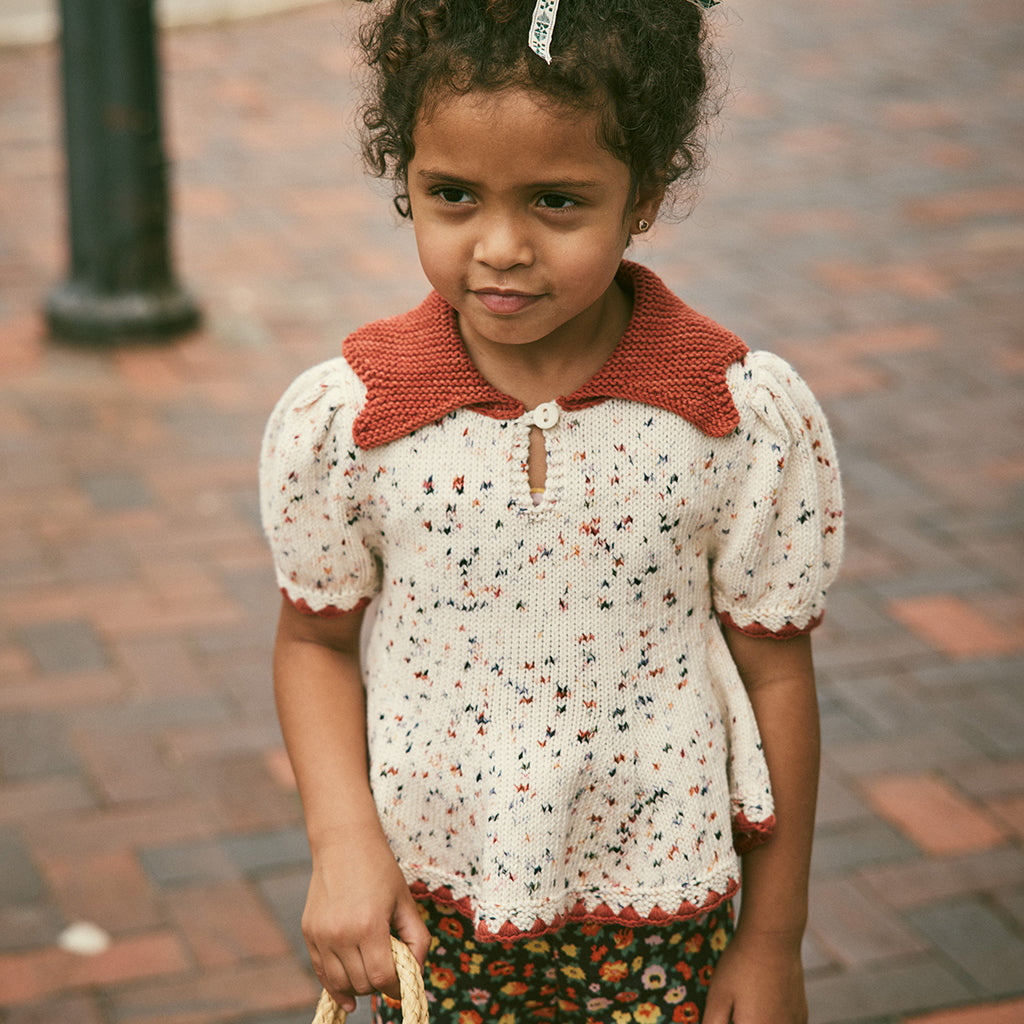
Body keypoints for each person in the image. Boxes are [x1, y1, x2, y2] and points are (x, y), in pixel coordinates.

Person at [260, 1, 843, 1021]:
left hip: (662, 908)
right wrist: (340, 843)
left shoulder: (729, 414)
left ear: (644, 197)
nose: (499, 247)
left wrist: (772, 938)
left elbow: (776, 670)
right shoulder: (353, 419)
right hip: (428, 900)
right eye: (451, 195)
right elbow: (314, 643)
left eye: (556, 203)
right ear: (405, 182)